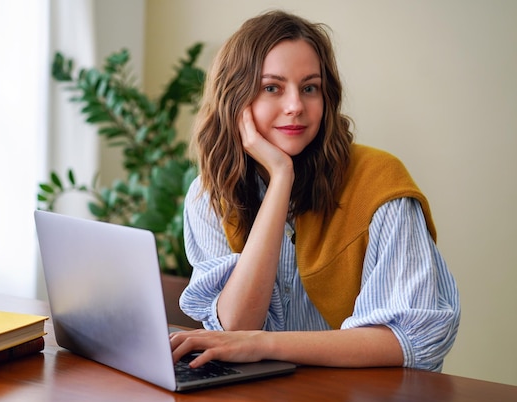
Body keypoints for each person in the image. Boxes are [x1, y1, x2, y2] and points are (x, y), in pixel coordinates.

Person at [170, 10, 460, 372]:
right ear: (235, 100)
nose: (295, 106)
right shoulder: (209, 195)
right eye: (271, 87)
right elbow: (236, 326)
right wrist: (280, 179)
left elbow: (411, 340)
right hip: (262, 401)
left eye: (310, 88)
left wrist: (265, 344)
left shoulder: (380, 181)